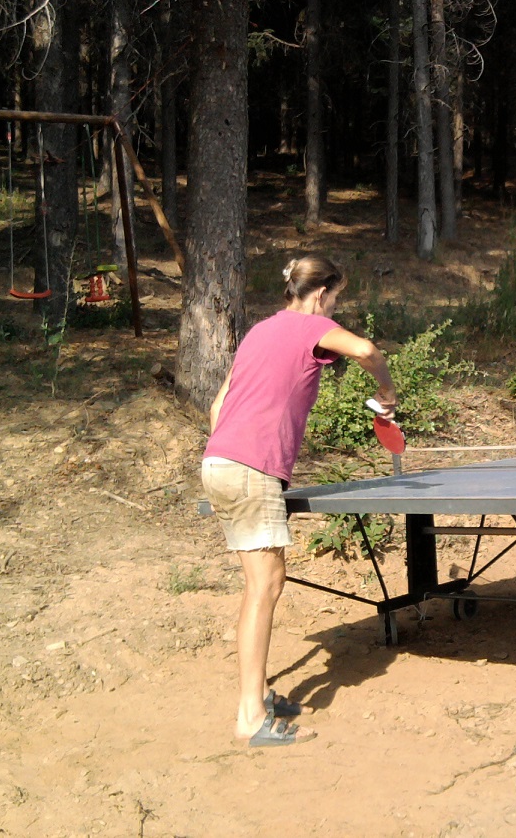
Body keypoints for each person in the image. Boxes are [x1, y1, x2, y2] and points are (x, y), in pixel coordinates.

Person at [202, 255, 397, 747]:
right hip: (250, 468)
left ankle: (259, 696)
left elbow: (217, 405)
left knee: (260, 585)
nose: (335, 305)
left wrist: (231, 449)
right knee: (264, 588)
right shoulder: (311, 325)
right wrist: (387, 390)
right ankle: (251, 717)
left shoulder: (260, 331)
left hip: (219, 462)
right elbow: (367, 349)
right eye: (336, 296)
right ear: (321, 292)